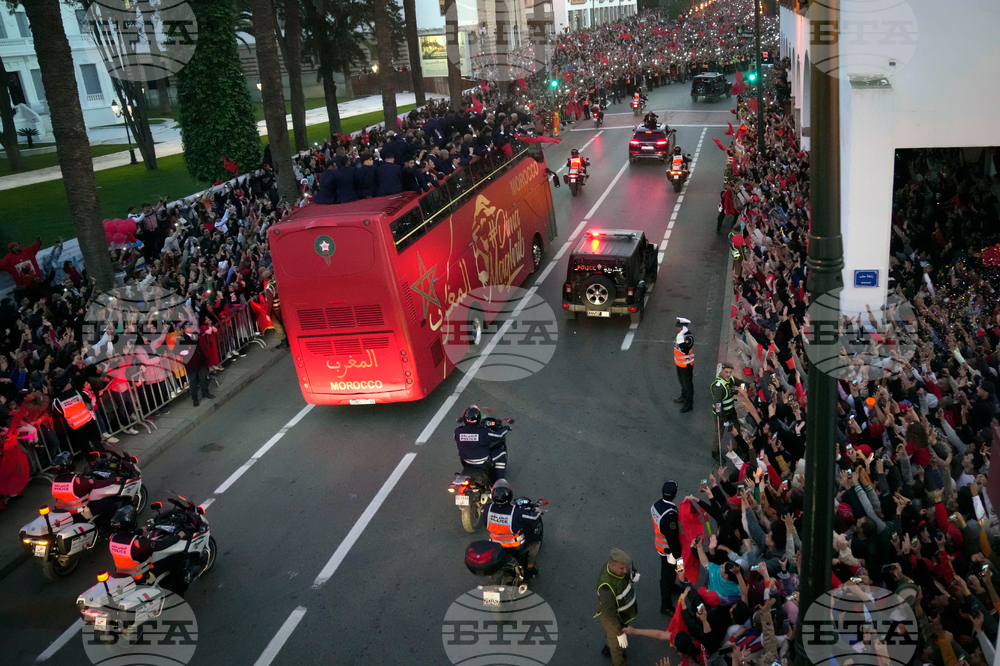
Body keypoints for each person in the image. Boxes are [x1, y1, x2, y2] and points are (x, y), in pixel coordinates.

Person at [481, 478, 541, 578]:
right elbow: (533, 517)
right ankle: (530, 567)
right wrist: (537, 510)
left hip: (495, 545)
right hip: (515, 547)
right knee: (536, 541)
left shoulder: (487, 508)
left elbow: (484, 521)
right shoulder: (515, 512)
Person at [595, 547, 639, 665]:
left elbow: (623, 578)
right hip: (613, 619)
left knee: (614, 638)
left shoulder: (614, 568)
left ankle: (608, 646)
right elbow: (610, 616)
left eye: (626, 567)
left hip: (622, 614)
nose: (625, 571)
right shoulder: (606, 588)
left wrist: (630, 577)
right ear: (612, 565)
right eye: (622, 568)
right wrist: (619, 634)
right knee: (618, 648)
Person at [453, 405, 508, 483]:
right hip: (482, 461)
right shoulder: (483, 432)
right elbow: (499, 435)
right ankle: (499, 481)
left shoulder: (458, 431)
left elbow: (456, 438)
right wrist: (506, 428)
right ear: (478, 419)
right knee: (502, 454)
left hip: (466, 460)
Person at [651, 480, 682, 616]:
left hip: (660, 546)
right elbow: (672, 539)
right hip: (668, 551)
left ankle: (672, 586)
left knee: (669, 573)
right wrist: (679, 555)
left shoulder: (657, 505)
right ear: (674, 494)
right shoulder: (670, 515)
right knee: (667, 575)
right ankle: (666, 605)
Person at [710, 362, 739, 441]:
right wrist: (724, 419)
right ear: (722, 370)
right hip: (722, 413)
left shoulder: (731, 379)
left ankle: (736, 447)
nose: (728, 374)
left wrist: (745, 387)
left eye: (730, 372)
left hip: (731, 410)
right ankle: (715, 451)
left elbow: (740, 382)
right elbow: (718, 404)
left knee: (736, 428)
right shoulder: (718, 386)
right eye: (726, 372)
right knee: (718, 433)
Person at [263, 270, 288, 349]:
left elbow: (270, 303)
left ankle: (284, 341)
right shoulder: (276, 283)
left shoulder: (268, 288)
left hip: (275, 309)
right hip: (282, 307)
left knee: (278, 326)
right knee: (284, 323)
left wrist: (268, 314)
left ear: (266, 279)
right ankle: (288, 338)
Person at [674, 317, 694, 413]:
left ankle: (689, 404)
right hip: (679, 364)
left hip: (686, 365)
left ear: (684, 328)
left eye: (679, 327)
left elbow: (683, 349)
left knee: (688, 384)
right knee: (682, 382)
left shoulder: (689, 338)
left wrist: (681, 335)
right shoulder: (680, 335)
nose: (677, 328)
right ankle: (684, 397)